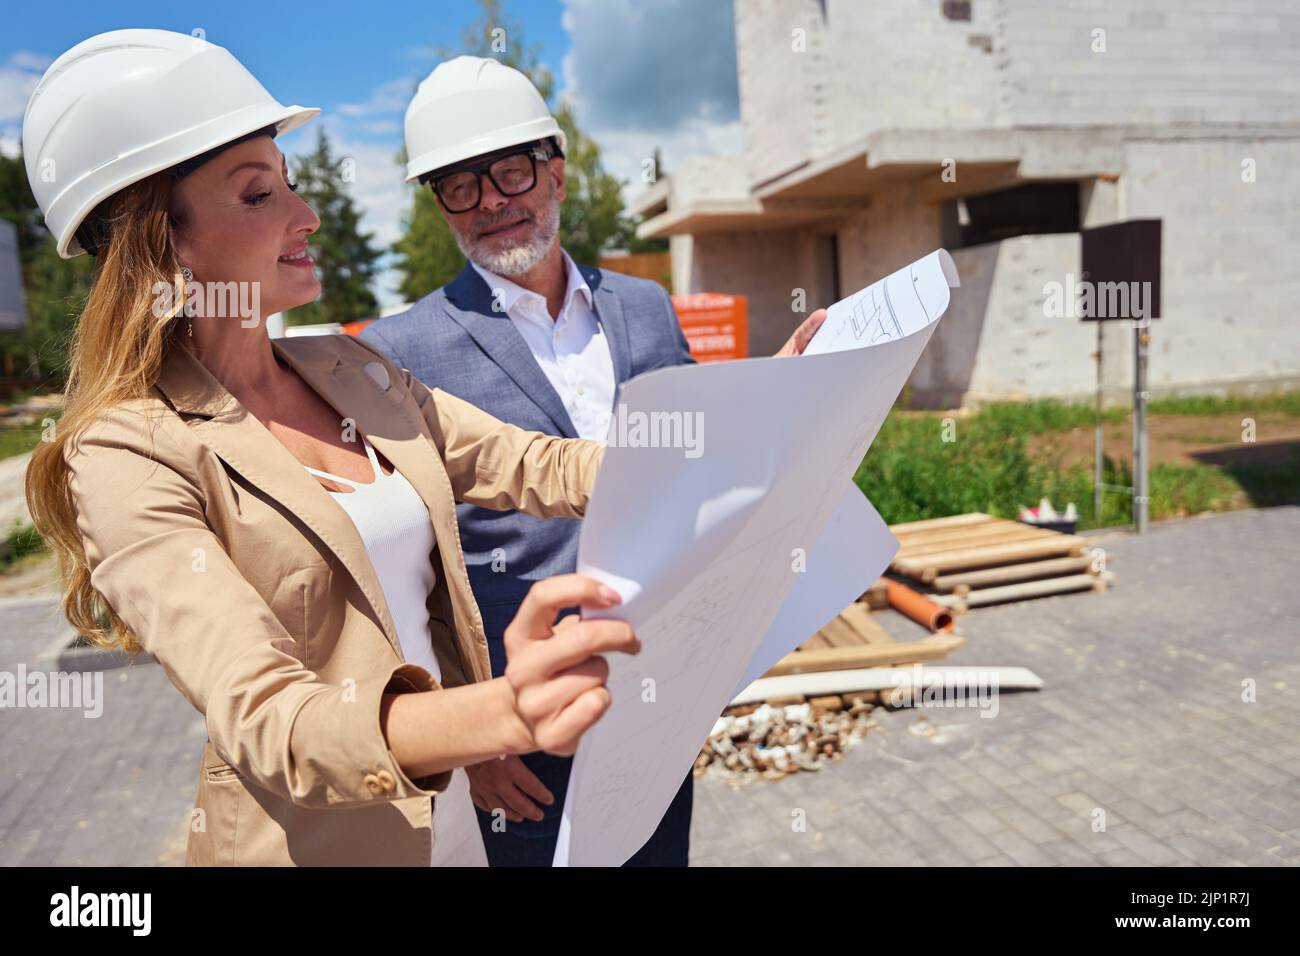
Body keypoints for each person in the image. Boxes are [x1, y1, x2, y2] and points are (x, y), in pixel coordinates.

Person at [22, 29, 638, 867]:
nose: (305, 215)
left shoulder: (346, 366)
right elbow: (273, 716)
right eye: (254, 196)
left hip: (449, 820)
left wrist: (750, 423)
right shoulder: (128, 453)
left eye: (290, 184)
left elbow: (539, 466)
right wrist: (500, 713)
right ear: (165, 243)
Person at [362, 56, 826, 866]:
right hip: (520, 728)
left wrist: (770, 399)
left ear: (558, 173)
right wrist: (470, 737)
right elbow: (406, 578)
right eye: (461, 186)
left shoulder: (643, 308)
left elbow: (692, 464)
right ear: (440, 204)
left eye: (511, 171)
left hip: (657, 691)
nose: (493, 202)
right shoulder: (404, 352)